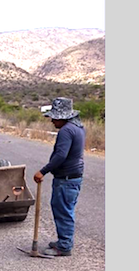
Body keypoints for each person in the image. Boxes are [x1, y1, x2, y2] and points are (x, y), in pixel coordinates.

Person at [33, 97, 85, 257]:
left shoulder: (66, 131)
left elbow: (61, 156)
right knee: (65, 210)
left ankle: (64, 246)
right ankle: (64, 241)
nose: (52, 121)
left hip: (66, 179)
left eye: (54, 117)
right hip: (73, 177)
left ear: (63, 117)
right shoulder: (78, 127)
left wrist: (43, 171)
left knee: (63, 211)